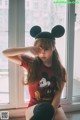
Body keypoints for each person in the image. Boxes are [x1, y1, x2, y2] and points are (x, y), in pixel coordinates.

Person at [2, 25, 68, 120]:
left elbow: (58, 94)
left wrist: (51, 112)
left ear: (53, 48)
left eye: (46, 49)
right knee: (43, 109)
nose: (42, 52)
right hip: (34, 107)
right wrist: (27, 49)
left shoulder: (60, 70)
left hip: (54, 107)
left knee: (47, 109)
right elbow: (5, 53)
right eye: (39, 49)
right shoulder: (31, 63)